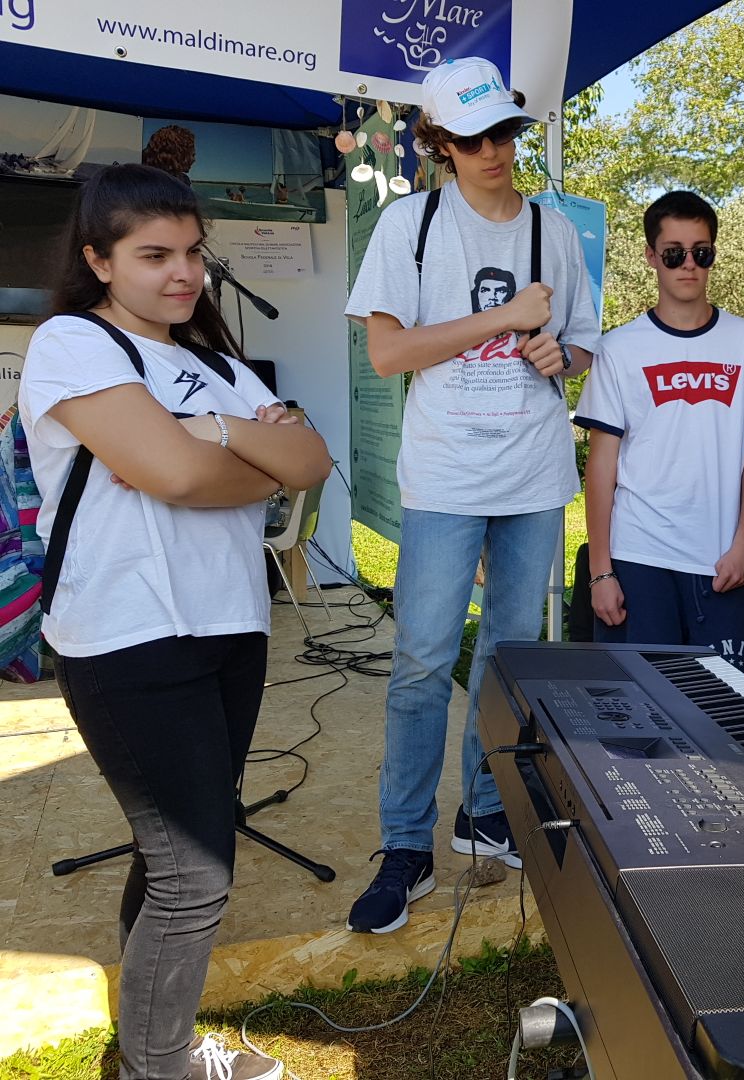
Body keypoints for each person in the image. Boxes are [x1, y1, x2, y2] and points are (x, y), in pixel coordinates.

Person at [18, 163, 331, 1080]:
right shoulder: (74, 344)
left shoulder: (213, 365)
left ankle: (148, 1051)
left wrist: (210, 432)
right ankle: (160, 1065)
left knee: (172, 855)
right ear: (98, 260)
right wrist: (236, 454)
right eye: (154, 255)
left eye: (193, 252)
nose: (183, 272)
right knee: (195, 869)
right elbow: (183, 478)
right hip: (126, 635)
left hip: (230, 627)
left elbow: (308, 463)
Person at [344, 56, 600, 933]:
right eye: (473, 137)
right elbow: (388, 354)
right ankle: (404, 845)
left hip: (533, 473)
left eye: (505, 132)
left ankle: (485, 811)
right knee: (422, 659)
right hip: (446, 474)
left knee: (510, 654)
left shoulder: (554, 232)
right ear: (439, 144)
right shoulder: (409, 225)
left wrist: (560, 354)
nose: (494, 150)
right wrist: (504, 319)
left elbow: (583, 345)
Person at [574, 191, 744, 670]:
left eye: (701, 253)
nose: (689, 264)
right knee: (642, 702)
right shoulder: (619, 348)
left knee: (722, 702)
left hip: (721, 561)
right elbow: (601, 464)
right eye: (674, 254)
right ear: (651, 257)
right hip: (638, 555)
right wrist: (601, 571)